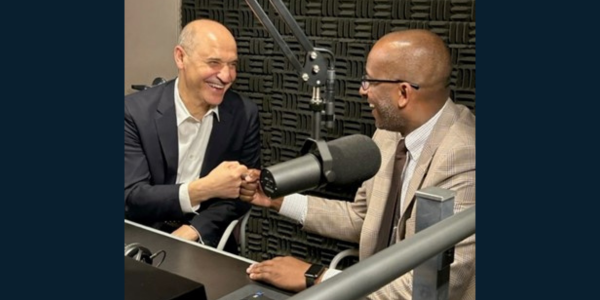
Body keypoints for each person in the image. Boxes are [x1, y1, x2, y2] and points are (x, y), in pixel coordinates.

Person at [241, 29, 475, 299]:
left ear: (403, 93)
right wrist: (277, 200)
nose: (361, 91)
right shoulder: (388, 135)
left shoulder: (464, 156)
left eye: (369, 81)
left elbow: (427, 286)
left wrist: (316, 276)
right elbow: (362, 218)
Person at [124, 19, 261, 253]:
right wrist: (204, 188)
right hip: (140, 236)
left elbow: (241, 194)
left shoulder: (244, 114)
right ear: (180, 57)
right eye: (214, 63)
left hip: (207, 238)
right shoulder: (132, 113)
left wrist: (195, 230)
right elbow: (131, 196)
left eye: (232, 65)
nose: (227, 76)